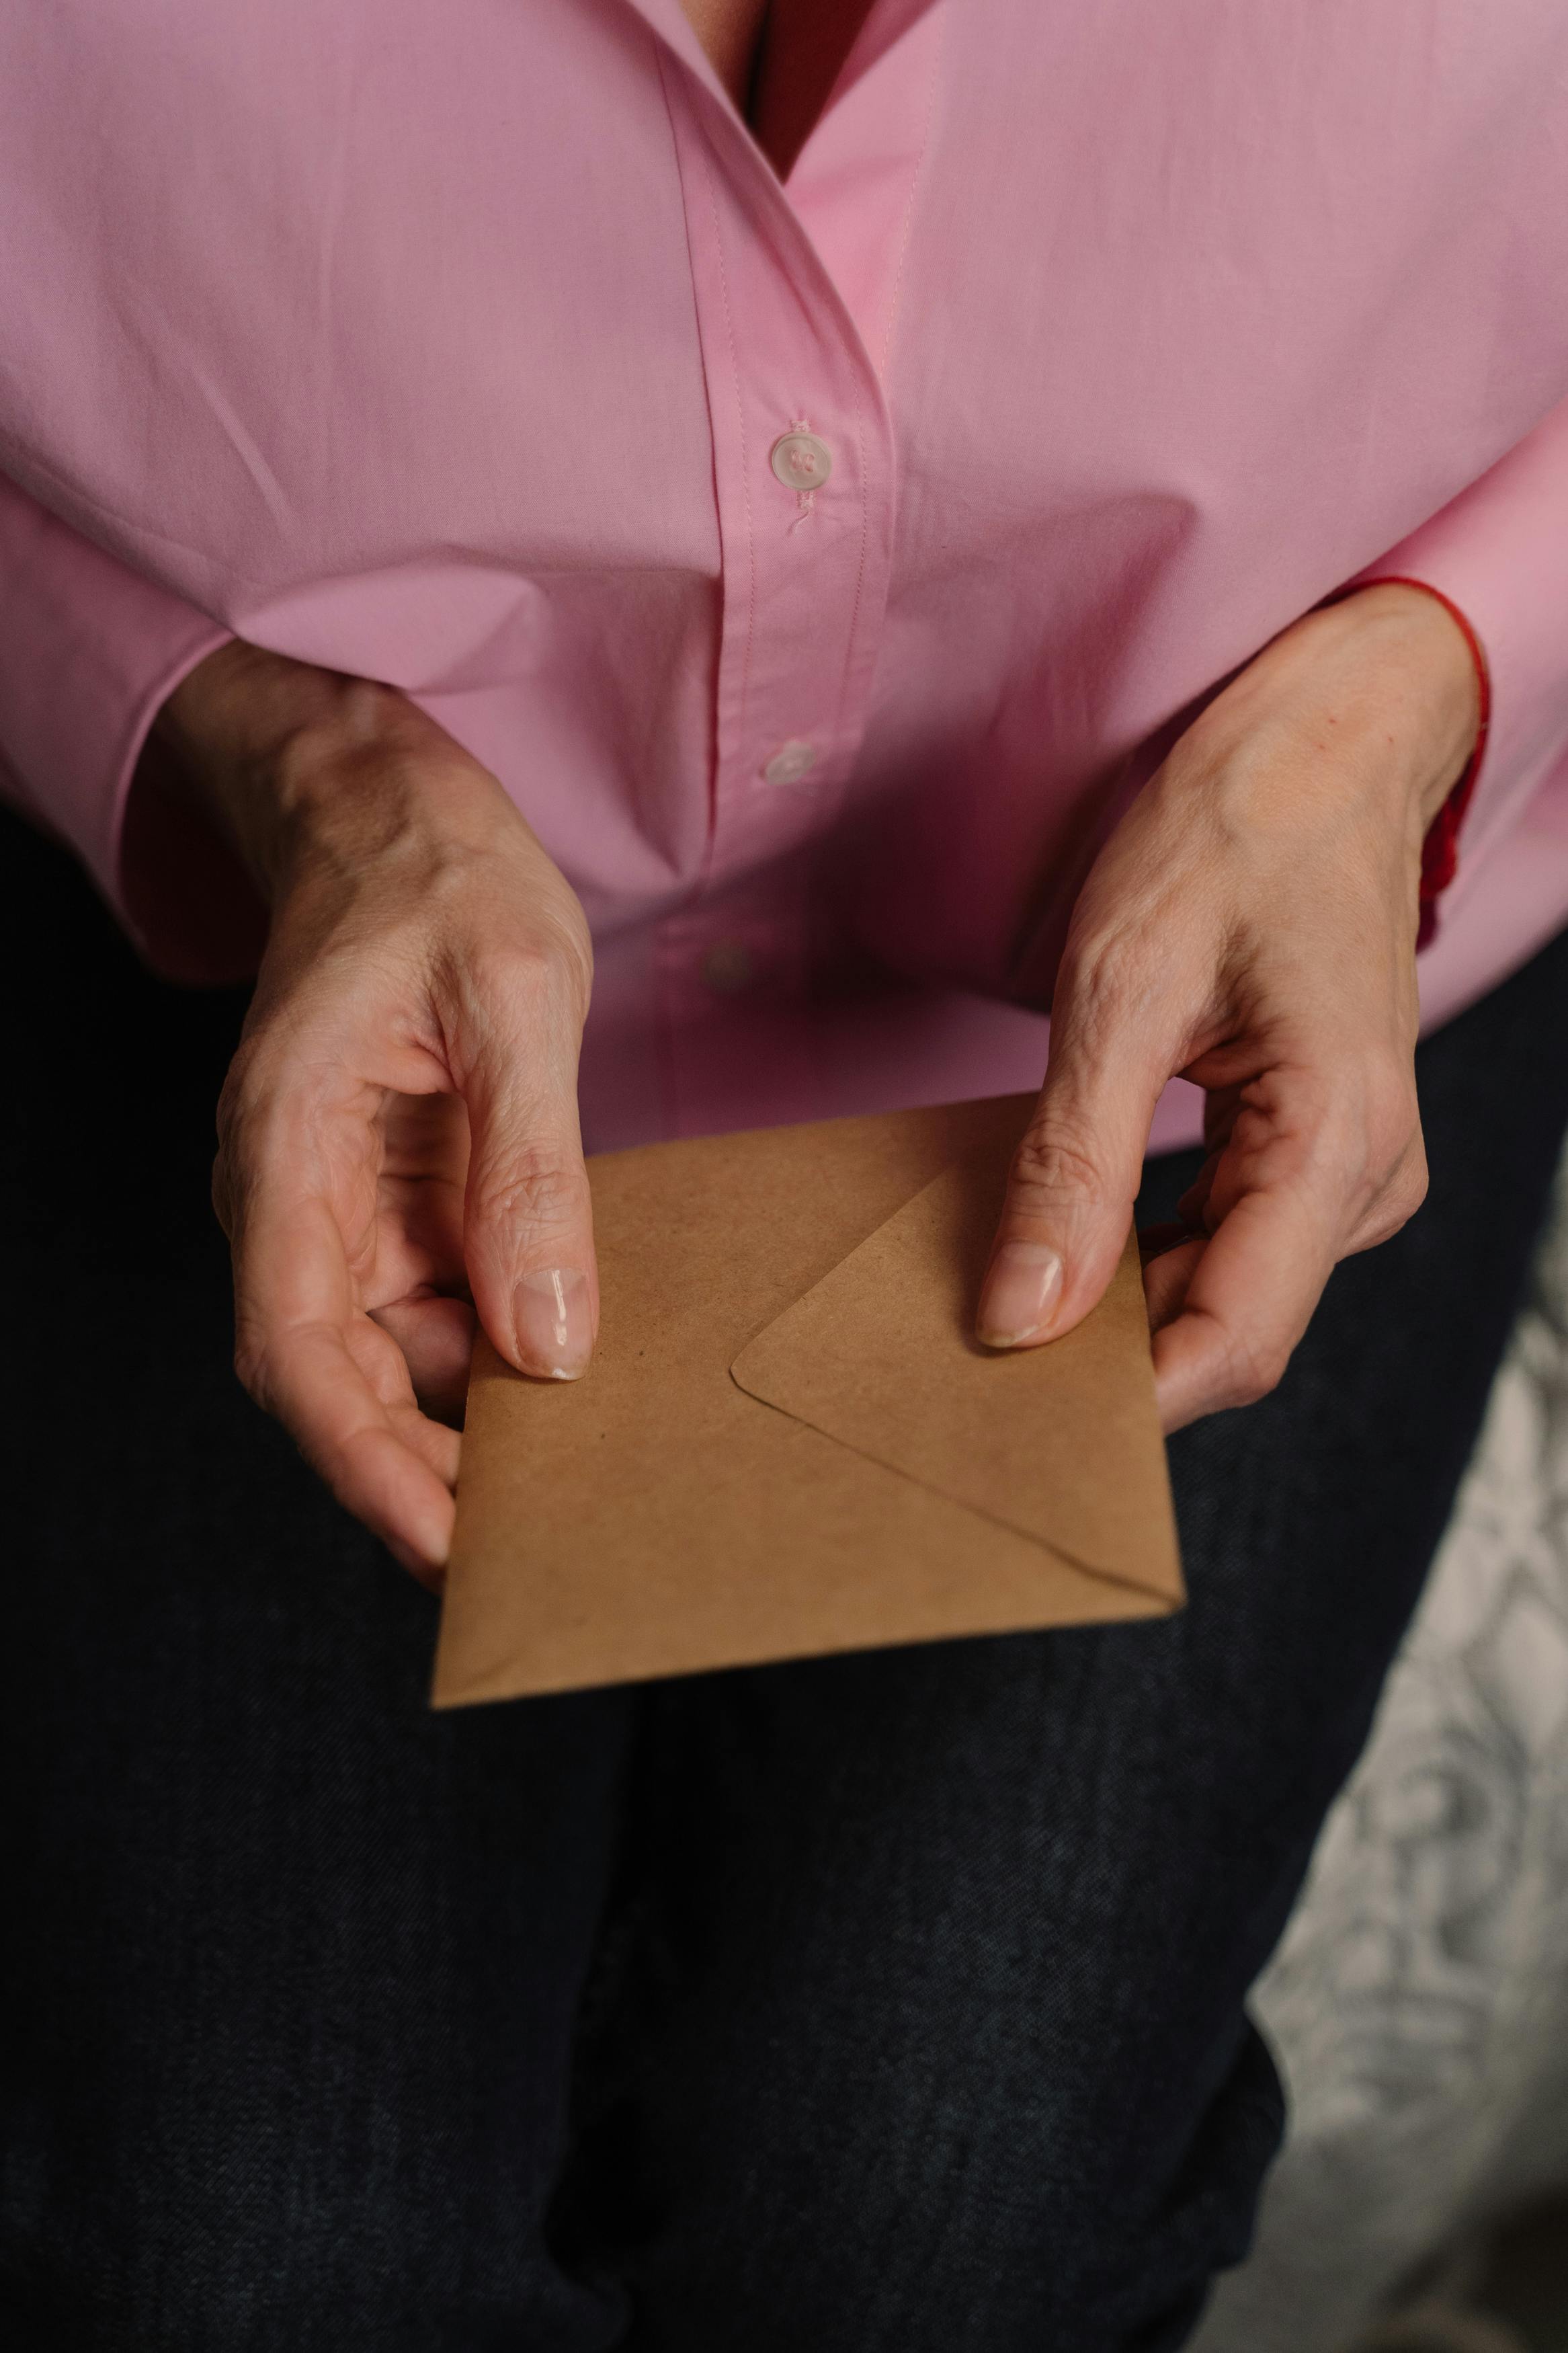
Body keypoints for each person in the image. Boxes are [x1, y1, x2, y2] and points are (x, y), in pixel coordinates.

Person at [3, 3, 1568, 2346]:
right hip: (264, 984)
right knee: (254, 2261)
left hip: (1251, 983)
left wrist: (1424, 687)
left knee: (932, 2213)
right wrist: (266, 744)